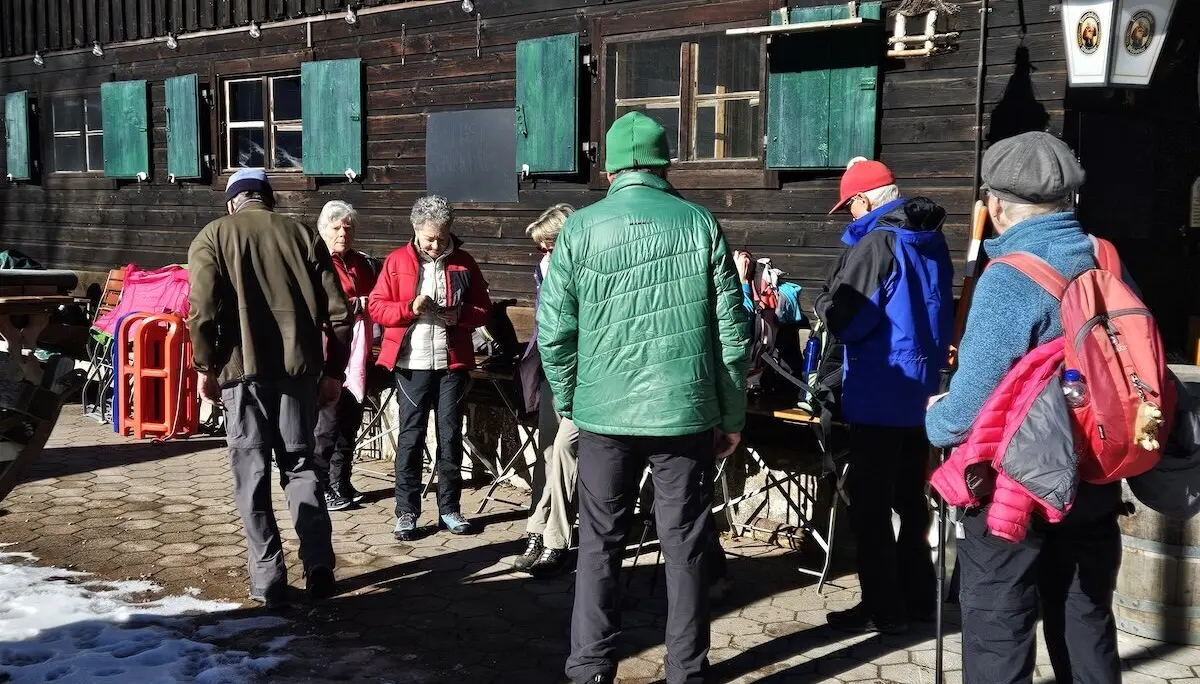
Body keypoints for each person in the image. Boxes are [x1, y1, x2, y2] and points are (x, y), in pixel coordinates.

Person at [538, 111, 750, 684]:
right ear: (664, 165)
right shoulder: (699, 223)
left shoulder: (581, 229)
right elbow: (732, 334)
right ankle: (687, 672)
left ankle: (589, 667)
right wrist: (731, 415)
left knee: (599, 544)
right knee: (685, 548)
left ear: (610, 169)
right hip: (683, 413)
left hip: (604, 414)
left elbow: (554, 331)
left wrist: (571, 401)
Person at [926, 131, 1125, 684]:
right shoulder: (1105, 257)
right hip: (1096, 471)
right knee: (1085, 623)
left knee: (1000, 630)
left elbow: (967, 409)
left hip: (1015, 487)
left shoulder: (1010, 277)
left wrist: (935, 416)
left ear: (994, 205)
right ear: (1069, 200)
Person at [187, 168, 352, 606]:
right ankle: (319, 566)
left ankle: (268, 578)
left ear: (232, 202)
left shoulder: (212, 236)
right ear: (269, 199)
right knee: (301, 468)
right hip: (299, 374)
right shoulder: (303, 235)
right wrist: (334, 372)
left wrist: (204, 367)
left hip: (242, 375)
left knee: (251, 475)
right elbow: (340, 314)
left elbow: (201, 312)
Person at [816, 157, 953, 634]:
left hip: (879, 388)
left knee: (870, 509)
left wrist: (823, 303)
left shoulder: (878, 243)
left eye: (850, 206)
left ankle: (883, 609)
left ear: (863, 199)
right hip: (920, 391)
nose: (850, 215)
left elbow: (850, 320)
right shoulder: (929, 239)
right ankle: (918, 599)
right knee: (911, 501)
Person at [368, 195, 492, 541]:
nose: (435, 245)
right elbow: (377, 308)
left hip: (452, 362)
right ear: (415, 229)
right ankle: (406, 512)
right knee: (411, 437)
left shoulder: (464, 262)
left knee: (450, 437)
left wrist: (461, 315)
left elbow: (484, 309)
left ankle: (450, 509)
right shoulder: (396, 261)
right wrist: (409, 307)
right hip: (412, 363)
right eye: (428, 239)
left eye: (442, 237)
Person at [513, 204, 581, 578]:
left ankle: (556, 540)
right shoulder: (545, 268)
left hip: (583, 373)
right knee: (549, 452)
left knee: (564, 452)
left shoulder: (583, 270)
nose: (544, 251)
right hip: (551, 370)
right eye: (540, 246)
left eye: (549, 244)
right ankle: (537, 532)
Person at [313, 200, 377, 511]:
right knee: (327, 422)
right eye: (336, 228)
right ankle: (319, 485)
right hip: (328, 353)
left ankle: (341, 480)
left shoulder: (362, 263)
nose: (343, 233)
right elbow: (316, 305)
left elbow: (379, 297)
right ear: (323, 230)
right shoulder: (315, 263)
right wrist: (355, 305)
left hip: (359, 354)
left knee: (350, 419)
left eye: (348, 228)